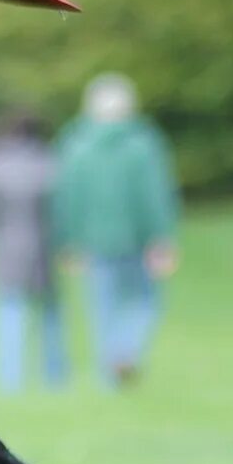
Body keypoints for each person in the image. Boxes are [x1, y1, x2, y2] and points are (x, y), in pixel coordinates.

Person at [53, 74, 179, 387]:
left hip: (94, 242)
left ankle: (109, 374)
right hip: (136, 239)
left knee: (102, 308)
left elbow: (68, 197)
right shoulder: (142, 143)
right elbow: (154, 194)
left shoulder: (75, 144)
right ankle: (128, 350)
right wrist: (161, 237)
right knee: (145, 303)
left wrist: (68, 240)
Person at [0, 113, 66, 393]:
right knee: (49, 313)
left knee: (8, 311)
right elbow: (59, 209)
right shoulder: (48, 163)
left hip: (4, 244)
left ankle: (9, 377)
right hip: (41, 245)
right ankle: (54, 374)